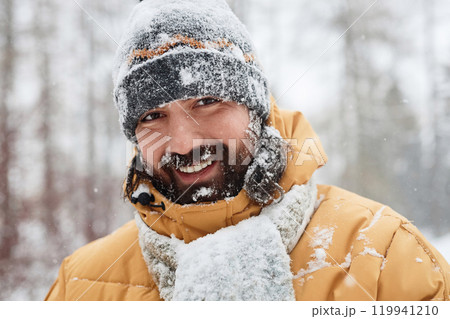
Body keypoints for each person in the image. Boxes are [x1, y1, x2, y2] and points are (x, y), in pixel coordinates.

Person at [45, 0, 449, 301]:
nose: (184, 143)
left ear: (256, 109)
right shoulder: (80, 284)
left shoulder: (386, 257)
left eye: (207, 102)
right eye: (153, 116)